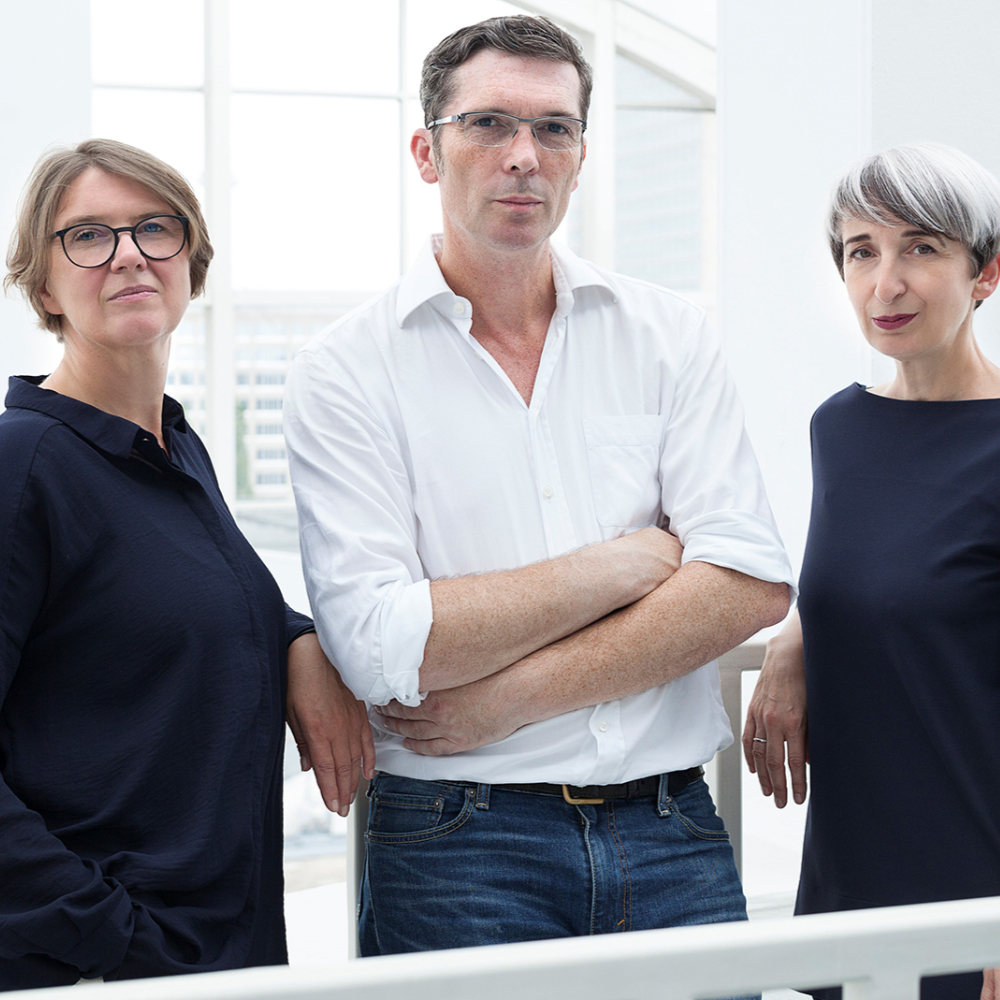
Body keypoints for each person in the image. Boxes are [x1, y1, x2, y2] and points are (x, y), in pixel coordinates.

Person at [284, 15, 792, 958]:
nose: (524, 154)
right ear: (427, 153)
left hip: (673, 830)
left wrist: (504, 702)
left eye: (553, 128)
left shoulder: (667, 334)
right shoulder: (344, 368)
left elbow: (749, 579)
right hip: (457, 843)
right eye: (488, 124)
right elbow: (384, 647)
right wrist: (626, 564)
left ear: (581, 153)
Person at [0, 139, 372, 990]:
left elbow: (181, 605)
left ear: (190, 264)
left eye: (155, 230)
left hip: (219, 958)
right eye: (87, 236)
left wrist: (299, 643)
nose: (128, 253)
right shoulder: (24, 465)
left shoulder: (171, 448)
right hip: (105, 967)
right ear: (43, 283)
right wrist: (111, 939)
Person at [742, 142, 1000, 1000]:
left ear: (986, 274)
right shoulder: (839, 429)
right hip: (851, 880)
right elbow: (871, 575)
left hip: (977, 891)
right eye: (862, 251)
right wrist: (793, 636)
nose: (885, 283)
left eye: (921, 248)